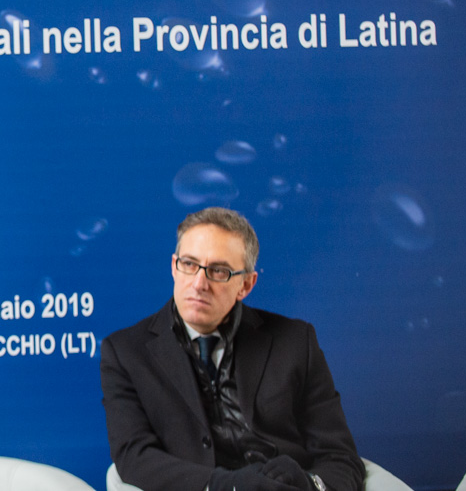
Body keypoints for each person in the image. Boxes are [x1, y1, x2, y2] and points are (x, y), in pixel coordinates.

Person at [100, 207, 364, 491]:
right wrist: (225, 485)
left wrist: (310, 483)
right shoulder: (126, 352)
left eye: (218, 271)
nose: (199, 284)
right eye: (189, 264)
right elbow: (134, 456)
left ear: (246, 284)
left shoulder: (296, 341)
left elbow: (340, 457)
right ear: (174, 267)